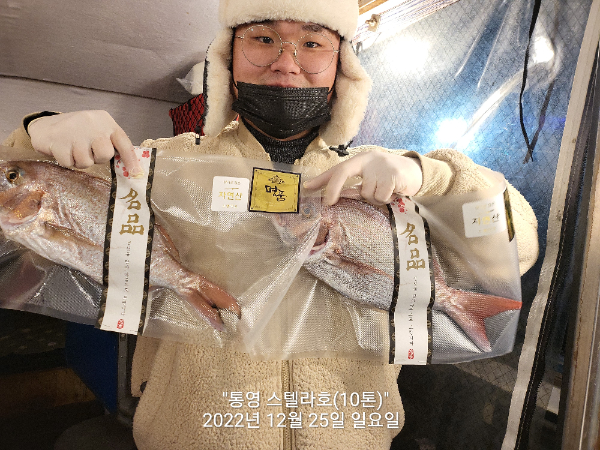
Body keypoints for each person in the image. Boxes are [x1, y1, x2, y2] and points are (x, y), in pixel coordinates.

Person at [3, 0, 539, 448]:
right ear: (227, 58)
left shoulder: (381, 177)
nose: (286, 63)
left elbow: (518, 248)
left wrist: (430, 175)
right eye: (263, 39)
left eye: (313, 43)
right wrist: (35, 134)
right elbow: (16, 209)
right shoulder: (158, 165)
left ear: (342, 66)